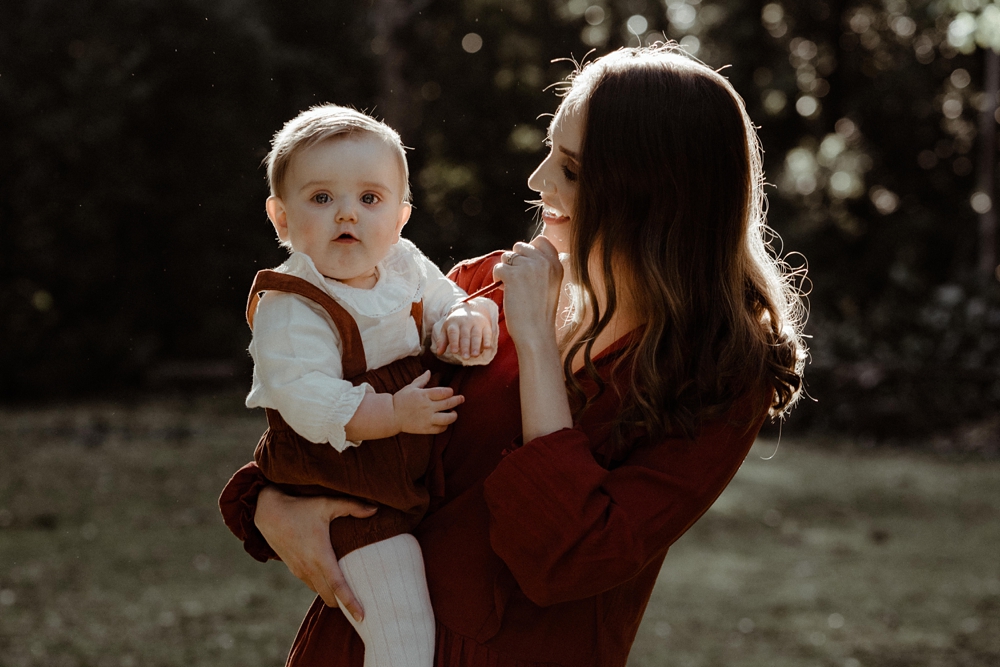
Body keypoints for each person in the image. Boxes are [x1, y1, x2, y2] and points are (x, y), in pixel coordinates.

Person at [220, 44, 807, 666]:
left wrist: (534, 340)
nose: (538, 180)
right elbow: (338, 411)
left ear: (657, 193)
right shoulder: (477, 288)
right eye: (551, 150)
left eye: (573, 170)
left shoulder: (721, 374)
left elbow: (569, 556)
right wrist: (268, 504)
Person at [241, 104, 499, 667]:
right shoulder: (292, 304)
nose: (346, 216)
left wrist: (464, 320)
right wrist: (390, 415)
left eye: (369, 198)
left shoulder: (404, 263)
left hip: (405, 470)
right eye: (321, 198)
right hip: (347, 486)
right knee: (401, 630)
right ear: (281, 219)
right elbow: (308, 400)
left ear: (402, 217)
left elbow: (444, 300)